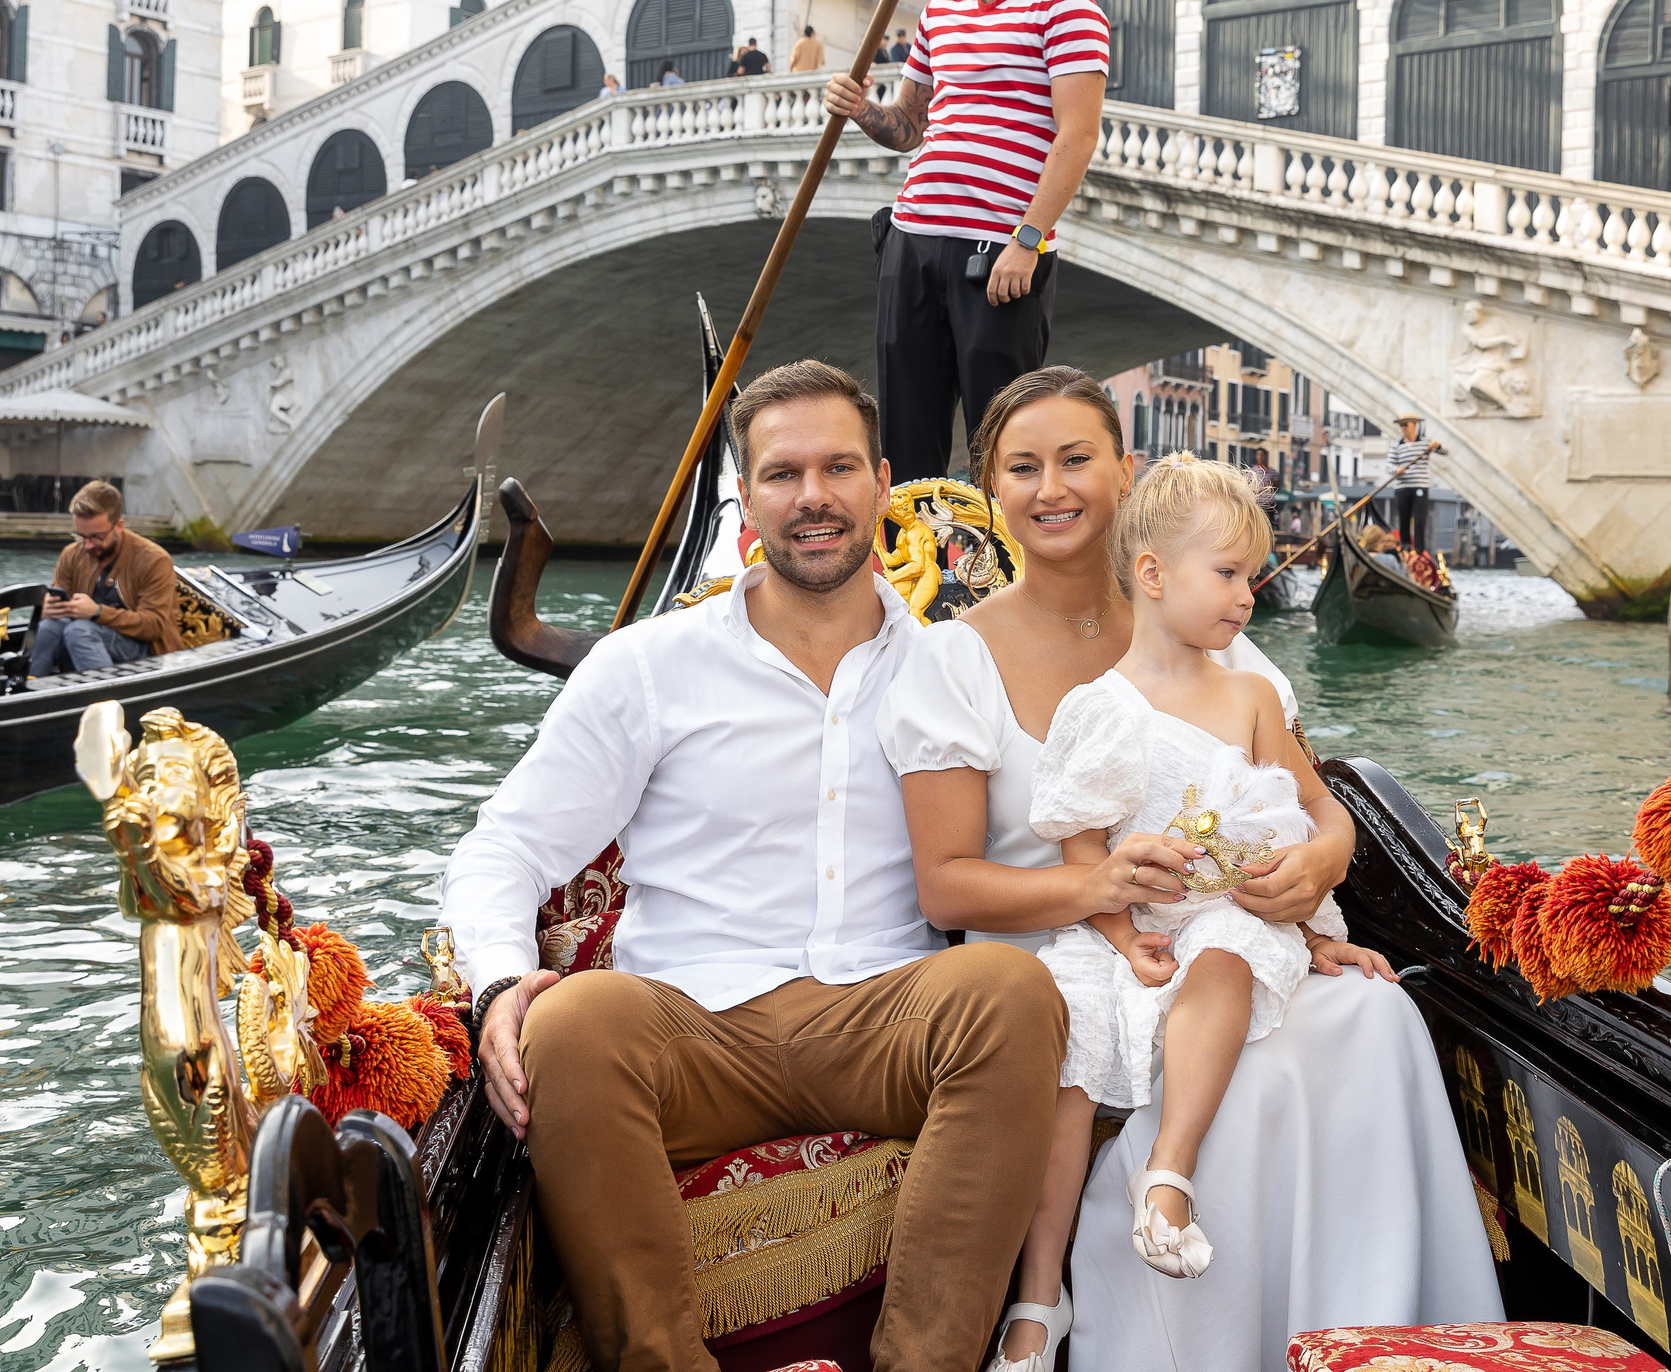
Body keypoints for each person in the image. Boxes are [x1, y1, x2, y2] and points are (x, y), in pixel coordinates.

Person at [442, 360, 1068, 1372]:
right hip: (691, 1027)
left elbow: (1060, 826)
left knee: (1008, 991)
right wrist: (503, 980)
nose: (812, 497)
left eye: (837, 468)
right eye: (782, 474)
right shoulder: (648, 665)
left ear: (881, 481)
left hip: (885, 1017)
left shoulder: (954, 668)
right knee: (566, 1026)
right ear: (746, 497)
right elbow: (503, 846)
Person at [878, 367, 1500, 1372]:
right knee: (1238, 1065)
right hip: (1050, 956)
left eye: (1076, 459)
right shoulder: (953, 660)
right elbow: (947, 886)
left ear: (1124, 474)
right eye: (1023, 468)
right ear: (991, 490)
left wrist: (1310, 880)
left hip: (1215, 935)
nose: (1052, 488)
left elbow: (1318, 813)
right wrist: (1113, 902)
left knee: (1373, 1016)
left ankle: (1352, 1334)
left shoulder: (1223, 646)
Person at [1028, 455, 1387, 1291]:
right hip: (1125, 923)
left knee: (1229, 944)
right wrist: (1122, 938)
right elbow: (1080, 845)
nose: (1247, 594)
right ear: (1152, 574)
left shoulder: (1252, 697)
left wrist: (1306, 914)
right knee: (1071, 1036)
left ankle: (1168, 1171)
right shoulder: (1100, 705)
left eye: (1251, 575)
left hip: (1228, 913)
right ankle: (1039, 1290)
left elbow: (1308, 809)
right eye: (1227, 573)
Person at [823, 0, 1110, 480]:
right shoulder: (939, 14)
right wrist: (863, 111)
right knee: (903, 435)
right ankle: (908, 572)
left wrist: (1027, 240)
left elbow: (1077, 136)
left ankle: (1001, 574)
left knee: (1005, 439)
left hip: (999, 251)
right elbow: (909, 127)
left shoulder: (1068, 8)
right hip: (912, 238)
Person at [29, 479, 180, 676]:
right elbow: (57, 604)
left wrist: (98, 612)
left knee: (79, 631)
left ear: (119, 525)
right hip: (86, 639)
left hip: (145, 649)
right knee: (49, 627)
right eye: (81, 536)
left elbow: (154, 626)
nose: (88, 545)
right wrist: (48, 608)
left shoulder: (154, 559)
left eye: (96, 537)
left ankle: (106, 698)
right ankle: (31, 686)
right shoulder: (71, 554)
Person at [1383, 413, 1442, 553]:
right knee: (1404, 518)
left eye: (1406, 425)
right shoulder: (1396, 445)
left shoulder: (1426, 443)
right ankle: (1406, 547)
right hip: (1402, 488)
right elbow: (1388, 465)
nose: (1403, 428)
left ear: (1414, 425)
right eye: (1401, 425)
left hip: (1420, 486)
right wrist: (1397, 469)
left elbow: (1445, 451)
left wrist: (1437, 445)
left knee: (1420, 519)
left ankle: (1420, 550)